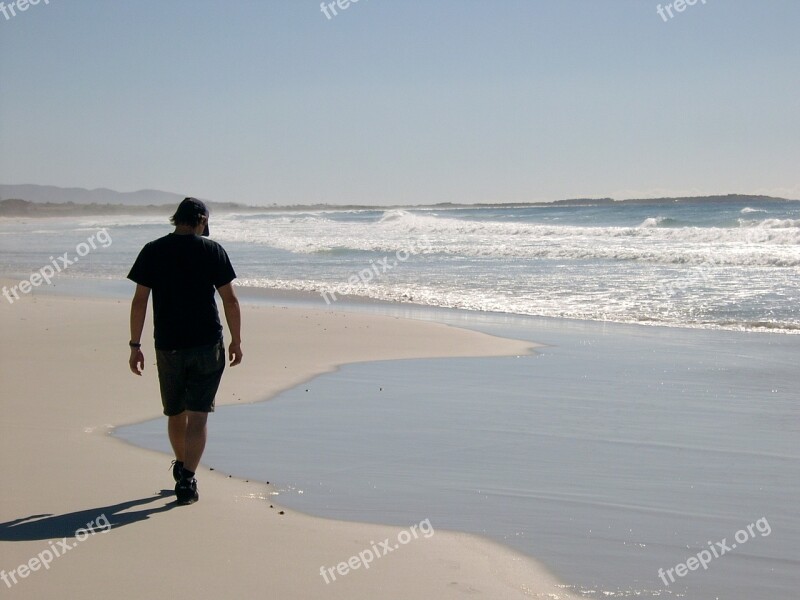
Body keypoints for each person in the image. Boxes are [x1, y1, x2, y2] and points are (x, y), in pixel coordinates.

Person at [127, 197, 243, 505]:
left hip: (168, 345)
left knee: (175, 411)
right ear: (202, 219)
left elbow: (140, 301)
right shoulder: (212, 250)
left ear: (176, 219)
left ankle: (182, 467)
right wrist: (237, 340)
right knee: (198, 416)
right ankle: (188, 479)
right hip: (206, 343)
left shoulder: (153, 251)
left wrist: (134, 345)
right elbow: (230, 300)